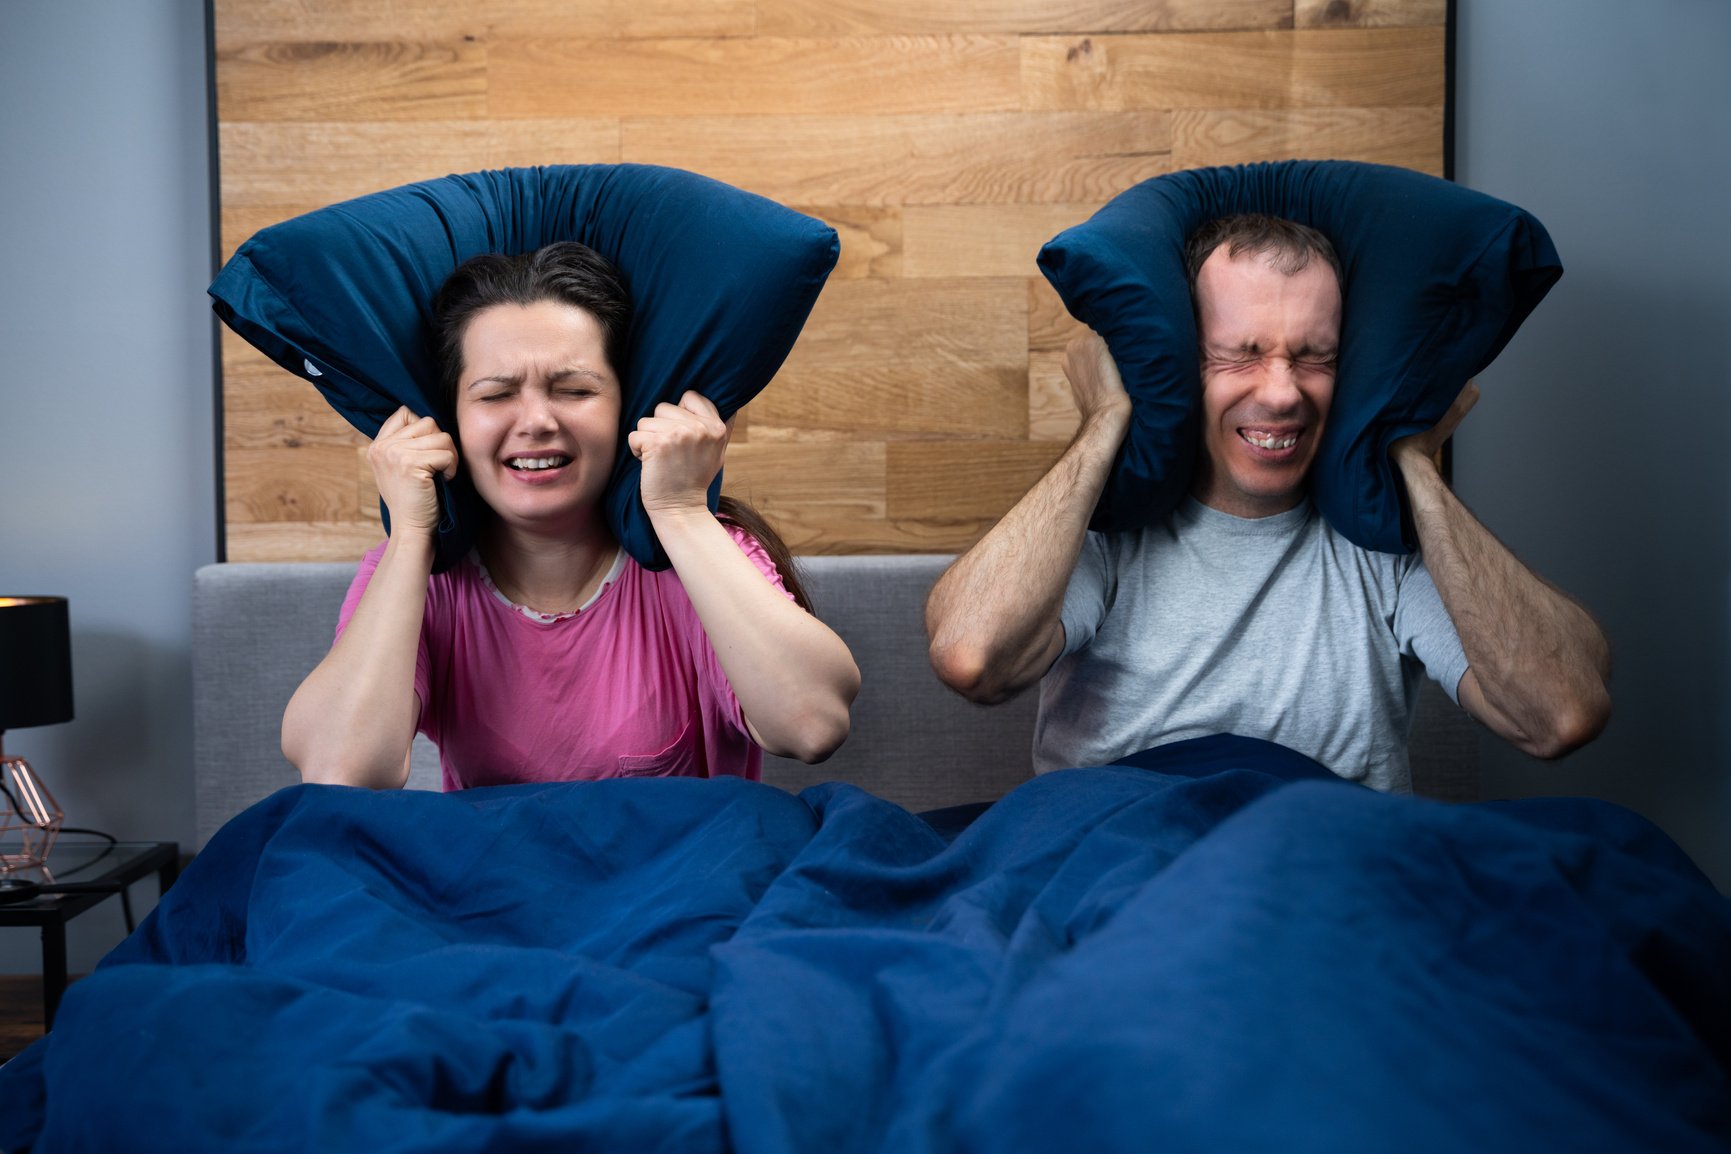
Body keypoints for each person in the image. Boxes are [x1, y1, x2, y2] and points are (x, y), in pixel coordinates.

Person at [926, 215, 1610, 791]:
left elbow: (1559, 717)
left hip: (1322, 886)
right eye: (1240, 354)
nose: (1282, 392)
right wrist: (1106, 419)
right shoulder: (1107, 534)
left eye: (1314, 356)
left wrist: (1411, 455)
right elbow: (972, 660)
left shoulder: (1384, 547)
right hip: (1128, 880)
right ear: (1177, 359)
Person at [283, 241, 860, 790]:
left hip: (686, 886)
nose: (535, 420)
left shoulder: (698, 554)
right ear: (450, 417)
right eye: (495, 394)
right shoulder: (414, 579)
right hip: (495, 887)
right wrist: (410, 536)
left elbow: (812, 726)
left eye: (574, 390)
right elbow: (341, 772)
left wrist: (681, 511)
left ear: (626, 408)